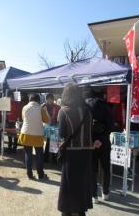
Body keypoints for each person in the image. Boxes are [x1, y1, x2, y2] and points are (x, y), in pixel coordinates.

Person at [57, 83, 93, 216]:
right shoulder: (88, 111)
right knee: (82, 182)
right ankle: (80, 210)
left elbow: (61, 133)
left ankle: (68, 211)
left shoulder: (63, 111)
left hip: (71, 152)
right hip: (87, 152)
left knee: (68, 183)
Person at [83, 87, 113, 203]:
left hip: (91, 142)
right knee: (106, 168)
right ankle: (105, 193)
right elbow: (111, 125)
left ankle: (94, 195)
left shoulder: (85, 107)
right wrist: (102, 138)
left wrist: (94, 139)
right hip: (104, 141)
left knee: (92, 169)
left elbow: (84, 126)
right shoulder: (106, 106)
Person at [18, 93, 49, 180]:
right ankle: (40, 174)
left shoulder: (24, 107)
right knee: (39, 155)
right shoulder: (41, 109)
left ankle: (29, 175)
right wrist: (45, 111)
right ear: (38, 100)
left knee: (28, 154)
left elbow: (23, 118)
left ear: (30, 100)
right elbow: (46, 120)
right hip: (37, 134)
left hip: (26, 133)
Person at [41, 93, 61, 162]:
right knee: (47, 143)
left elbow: (59, 118)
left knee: (54, 143)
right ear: (46, 99)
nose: (49, 100)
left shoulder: (57, 107)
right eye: (48, 99)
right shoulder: (43, 106)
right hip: (46, 127)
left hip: (54, 126)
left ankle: (54, 159)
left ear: (53, 99)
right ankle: (45, 158)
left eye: (51, 99)